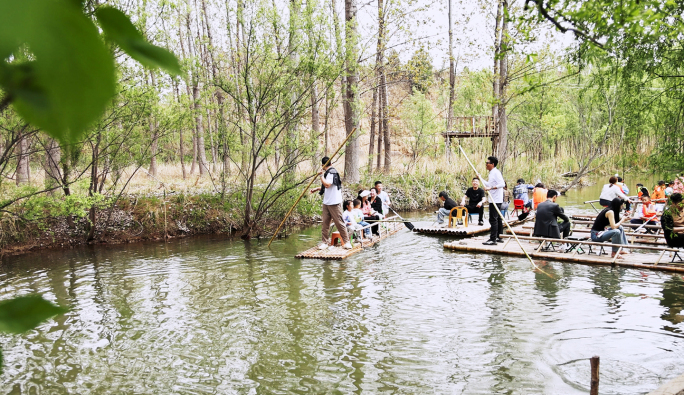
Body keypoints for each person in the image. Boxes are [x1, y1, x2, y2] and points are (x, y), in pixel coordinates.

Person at [310, 156, 351, 249]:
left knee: (339, 222)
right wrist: (317, 189)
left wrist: (320, 175)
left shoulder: (332, 172)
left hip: (334, 202)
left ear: (322, 165)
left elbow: (327, 185)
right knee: (325, 223)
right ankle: (324, 242)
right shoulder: (328, 173)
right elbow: (328, 187)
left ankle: (347, 241)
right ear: (331, 163)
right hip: (327, 202)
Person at [482, 156, 505, 245]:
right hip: (493, 199)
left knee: (493, 219)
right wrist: (481, 179)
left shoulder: (496, 172)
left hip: (496, 200)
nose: (486, 164)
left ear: (492, 164)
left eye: (487, 163)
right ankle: (499, 236)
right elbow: (489, 184)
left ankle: (493, 239)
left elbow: (502, 184)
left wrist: (490, 188)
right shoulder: (491, 173)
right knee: (498, 218)